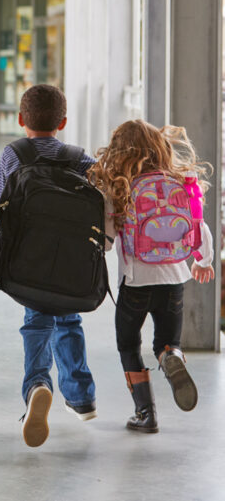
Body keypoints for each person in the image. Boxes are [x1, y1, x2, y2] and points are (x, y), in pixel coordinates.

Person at [89, 119, 214, 433]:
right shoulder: (179, 181)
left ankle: (146, 414)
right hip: (175, 279)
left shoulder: (120, 186)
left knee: (128, 345)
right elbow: (200, 226)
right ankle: (171, 356)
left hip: (135, 283)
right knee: (166, 340)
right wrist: (203, 261)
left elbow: (105, 241)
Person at [0, 84, 97, 448]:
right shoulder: (80, 159)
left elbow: (2, 207)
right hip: (71, 262)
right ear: (63, 122)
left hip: (29, 259)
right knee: (69, 319)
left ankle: (38, 384)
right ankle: (82, 398)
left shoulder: (13, 154)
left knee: (37, 320)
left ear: (22, 120)